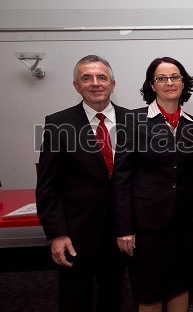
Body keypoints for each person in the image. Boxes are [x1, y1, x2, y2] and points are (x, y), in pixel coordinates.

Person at [113, 56, 193, 312]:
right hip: (146, 223)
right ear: (152, 85)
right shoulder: (133, 121)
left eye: (175, 77)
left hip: (182, 220)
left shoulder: (192, 125)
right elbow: (122, 179)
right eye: (161, 78)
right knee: (150, 289)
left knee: (180, 284)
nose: (169, 82)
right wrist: (124, 227)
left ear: (183, 83)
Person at [36, 55, 128, 312]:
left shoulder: (134, 121)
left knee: (115, 297)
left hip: (122, 232)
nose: (95, 83)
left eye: (102, 77)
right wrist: (57, 234)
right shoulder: (58, 124)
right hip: (76, 234)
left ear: (113, 84)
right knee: (76, 300)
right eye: (86, 78)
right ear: (76, 86)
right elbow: (47, 187)